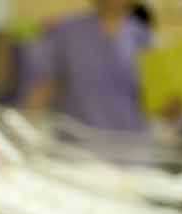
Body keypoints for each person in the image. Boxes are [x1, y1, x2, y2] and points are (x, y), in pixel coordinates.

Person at [23, 0, 151, 132]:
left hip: (130, 141)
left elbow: (156, 101)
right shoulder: (67, 31)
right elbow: (43, 87)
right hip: (75, 141)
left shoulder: (143, 37)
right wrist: (25, 128)